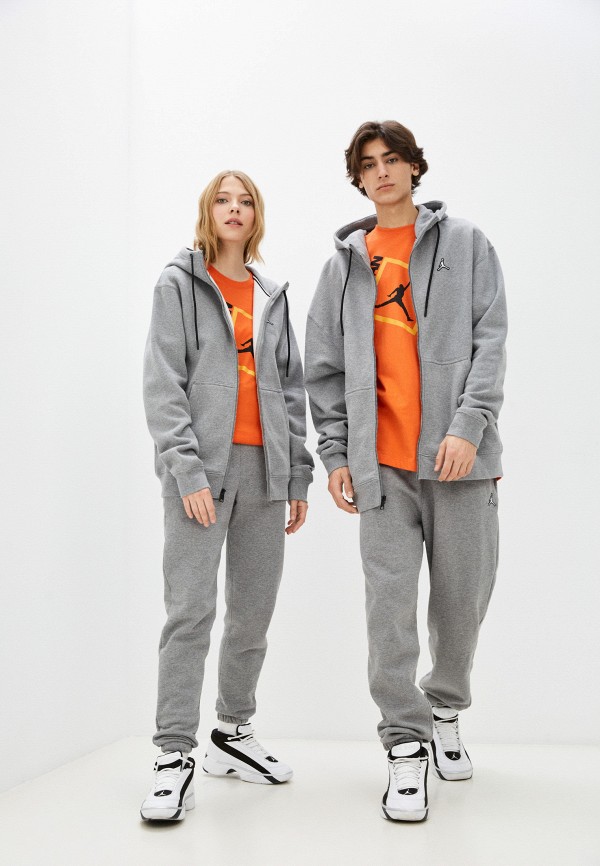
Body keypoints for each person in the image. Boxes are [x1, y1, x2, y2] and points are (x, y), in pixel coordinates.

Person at [304, 121, 507, 823]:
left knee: (461, 601)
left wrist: (468, 428)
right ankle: (404, 743)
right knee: (388, 611)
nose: (382, 172)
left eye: (393, 159)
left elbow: (491, 339)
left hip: (459, 463)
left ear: (414, 167)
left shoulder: (467, 243)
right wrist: (336, 455)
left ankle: (444, 706)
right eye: (369, 164)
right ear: (358, 178)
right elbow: (323, 370)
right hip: (380, 469)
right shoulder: (343, 267)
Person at [140, 170, 313, 821]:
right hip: (200, 474)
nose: (234, 209)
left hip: (264, 473)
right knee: (189, 613)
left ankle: (231, 733)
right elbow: (163, 384)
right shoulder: (178, 284)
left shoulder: (272, 295)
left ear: (256, 216)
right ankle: (173, 754)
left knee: (252, 614)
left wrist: (295, 475)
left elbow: (290, 392)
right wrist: (186, 473)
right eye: (223, 199)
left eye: (245, 202)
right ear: (207, 211)